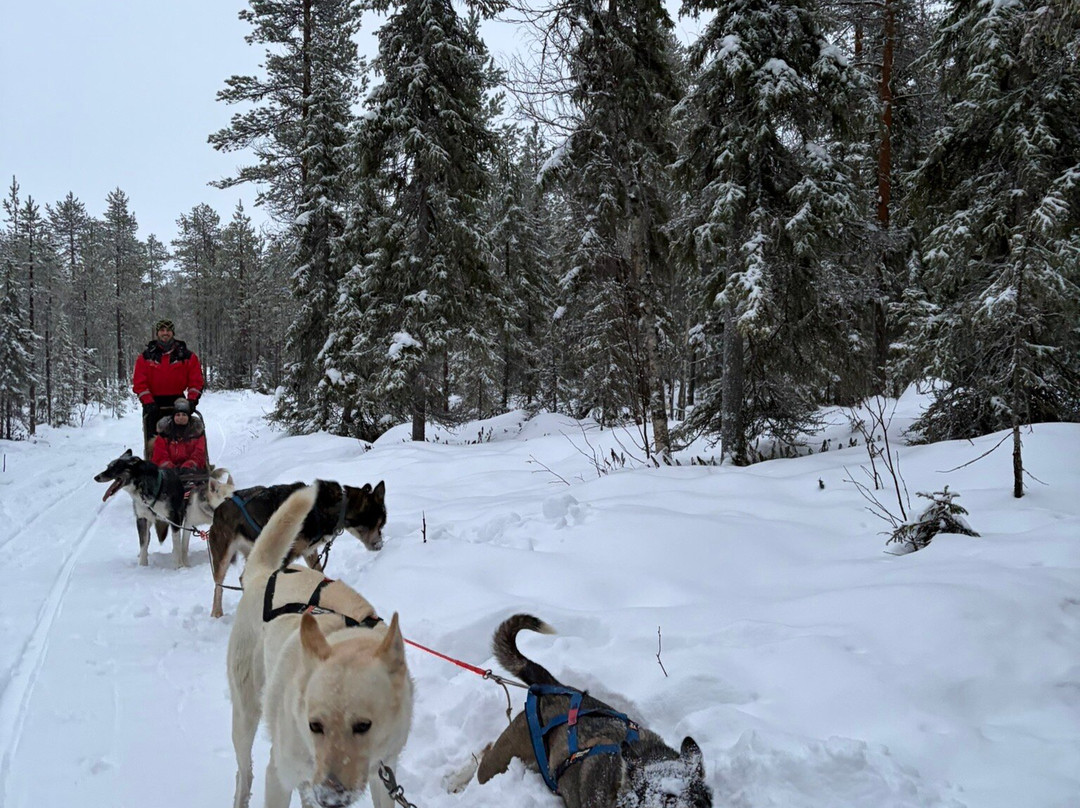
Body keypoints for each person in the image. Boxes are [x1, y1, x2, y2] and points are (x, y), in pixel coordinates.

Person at [132, 318, 204, 457]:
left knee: (182, 437)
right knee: (155, 440)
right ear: (157, 333)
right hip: (154, 402)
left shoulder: (186, 355)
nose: (165, 333)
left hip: (178, 401)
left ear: (173, 332)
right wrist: (148, 401)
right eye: (162, 330)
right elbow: (139, 382)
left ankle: (186, 461)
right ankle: (155, 462)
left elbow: (196, 380)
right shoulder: (146, 357)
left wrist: (192, 400)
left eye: (168, 330)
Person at [151, 398, 209, 474]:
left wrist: (190, 465)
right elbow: (160, 455)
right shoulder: (164, 433)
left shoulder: (196, 433)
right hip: (168, 471)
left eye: (184, 415)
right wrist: (169, 467)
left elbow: (199, 453)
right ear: (173, 417)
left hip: (192, 470)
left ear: (189, 417)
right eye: (178, 415)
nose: (181, 418)